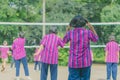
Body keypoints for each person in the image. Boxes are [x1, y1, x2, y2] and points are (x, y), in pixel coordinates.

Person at [63, 15, 98, 80]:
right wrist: (92, 28)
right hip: (86, 62)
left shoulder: (70, 33)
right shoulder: (88, 32)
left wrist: (67, 30)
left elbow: (64, 41)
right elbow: (96, 39)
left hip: (73, 63)